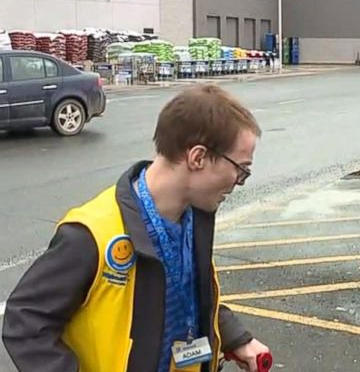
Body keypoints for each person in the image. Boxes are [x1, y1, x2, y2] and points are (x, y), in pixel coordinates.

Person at [2, 84, 269, 372]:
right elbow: (25, 321)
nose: (239, 181)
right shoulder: (91, 234)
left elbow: (188, 294)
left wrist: (235, 338)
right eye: (240, 170)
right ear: (198, 158)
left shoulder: (197, 218)